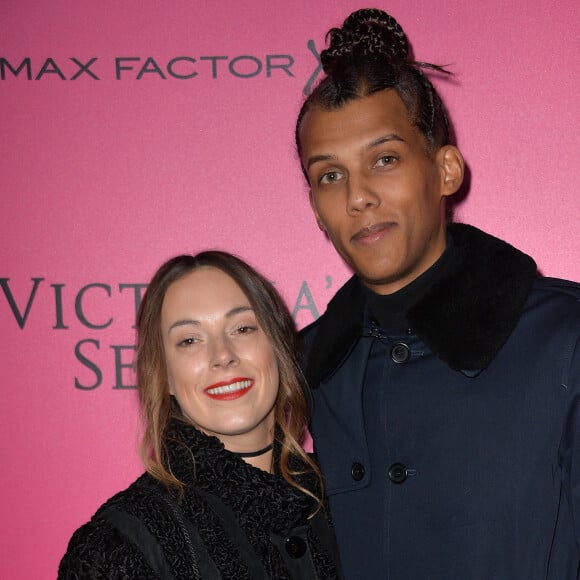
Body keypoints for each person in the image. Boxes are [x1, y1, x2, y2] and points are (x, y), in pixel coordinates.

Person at [295, 8, 580, 580]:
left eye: (384, 160)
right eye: (330, 175)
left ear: (445, 169)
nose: (358, 197)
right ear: (315, 210)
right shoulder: (302, 368)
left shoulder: (565, 337)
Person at [58, 251, 343, 579]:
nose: (222, 356)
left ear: (278, 346)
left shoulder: (347, 497)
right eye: (189, 340)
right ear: (163, 374)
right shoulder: (120, 546)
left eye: (242, 328)